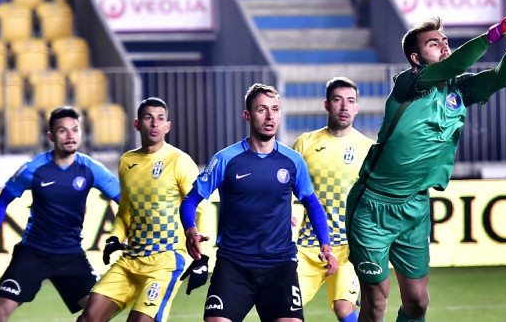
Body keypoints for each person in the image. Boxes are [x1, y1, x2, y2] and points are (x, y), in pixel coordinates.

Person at [345, 10, 506, 322]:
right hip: (372, 206)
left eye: (445, 41)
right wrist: (496, 31)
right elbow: (455, 64)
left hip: (415, 206)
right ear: (416, 58)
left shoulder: (458, 91)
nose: (444, 45)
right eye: (433, 43)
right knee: (376, 300)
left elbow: (499, 79)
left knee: (418, 302)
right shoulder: (409, 83)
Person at [181, 83, 339, 322]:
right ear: (247, 115)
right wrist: (190, 229)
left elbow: (312, 204)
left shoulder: (292, 160)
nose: (270, 116)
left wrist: (325, 246)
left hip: (280, 266)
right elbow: (190, 201)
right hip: (234, 264)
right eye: (262, 109)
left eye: (275, 109)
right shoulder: (226, 159)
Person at [0, 106, 121, 322]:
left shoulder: (91, 169)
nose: (70, 135)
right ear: (51, 136)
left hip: (71, 254)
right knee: (1, 311)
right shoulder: (34, 169)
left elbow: (126, 203)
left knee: (97, 313)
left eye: (75, 129)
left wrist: (124, 230)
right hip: (33, 253)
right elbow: (2, 201)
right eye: (63, 131)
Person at [78, 97, 204, 322]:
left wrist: (200, 255)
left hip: (164, 261)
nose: (154, 124)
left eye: (160, 119)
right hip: (131, 258)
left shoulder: (179, 161)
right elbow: (125, 209)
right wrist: (114, 237)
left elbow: (199, 208)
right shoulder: (127, 161)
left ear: (168, 126)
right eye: (148, 118)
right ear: (137, 124)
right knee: (88, 317)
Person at [293, 77, 373, 322]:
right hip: (307, 246)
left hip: (349, 247)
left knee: (344, 308)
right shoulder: (305, 143)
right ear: (327, 105)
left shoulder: (368, 148)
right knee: (285, 308)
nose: (344, 107)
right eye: (338, 100)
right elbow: (288, 190)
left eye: (351, 101)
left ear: (357, 108)